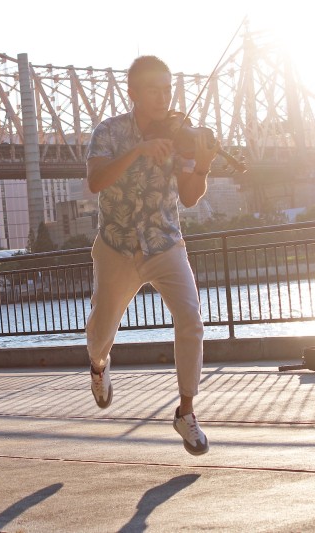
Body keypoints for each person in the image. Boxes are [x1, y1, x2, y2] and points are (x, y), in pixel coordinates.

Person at [85, 56, 218, 456]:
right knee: (101, 328)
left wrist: (205, 163)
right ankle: (98, 365)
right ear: (133, 93)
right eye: (153, 90)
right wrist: (139, 151)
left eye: (167, 89)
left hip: (165, 242)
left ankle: (187, 411)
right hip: (117, 246)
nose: (163, 97)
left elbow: (191, 197)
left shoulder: (180, 136)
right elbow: (95, 181)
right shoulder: (107, 133)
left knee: (191, 319)